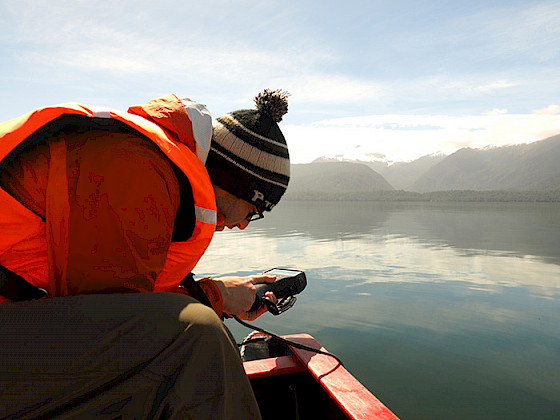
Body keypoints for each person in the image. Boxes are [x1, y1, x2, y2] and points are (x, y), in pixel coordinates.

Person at [0, 89, 290, 418]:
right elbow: (110, 320)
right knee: (199, 337)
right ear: (236, 182)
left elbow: (123, 310)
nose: (242, 227)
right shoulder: (133, 168)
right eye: (253, 213)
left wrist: (217, 295)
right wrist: (215, 298)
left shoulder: (146, 165)